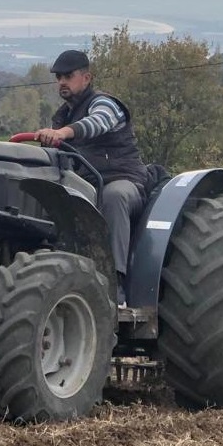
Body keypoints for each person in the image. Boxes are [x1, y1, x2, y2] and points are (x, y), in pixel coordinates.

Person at [36, 49, 148, 307]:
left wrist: (63, 133)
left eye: (68, 75)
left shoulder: (105, 104)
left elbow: (98, 122)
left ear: (86, 77)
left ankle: (115, 288)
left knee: (113, 196)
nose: (62, 81)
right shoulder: (62, 115)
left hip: (125, 180)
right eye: (58, 77)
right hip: (86, 186)